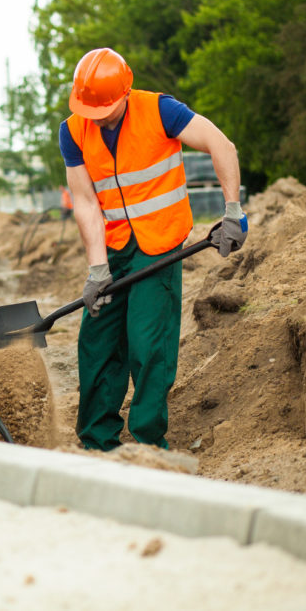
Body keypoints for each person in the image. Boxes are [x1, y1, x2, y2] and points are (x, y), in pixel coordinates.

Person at [59, 47, 246, 452]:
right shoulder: (73, 131)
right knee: (97, 340)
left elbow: (221, 145)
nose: (98, 116)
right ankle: (96, 441)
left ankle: (146, 442)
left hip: (159, 244)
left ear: (126, 91)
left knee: (147, 342)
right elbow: (86, 202)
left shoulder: (161, 111)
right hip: (113, 249)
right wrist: (96, 270)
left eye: (105, 107)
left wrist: (233, 211)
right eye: (91, 109)